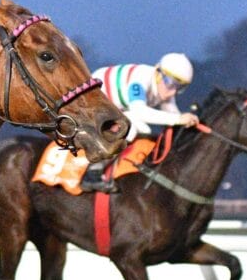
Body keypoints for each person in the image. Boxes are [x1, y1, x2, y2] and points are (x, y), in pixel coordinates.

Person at [80, 52, 198, 193]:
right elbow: (139, 111)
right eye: (171, 84)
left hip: (111, 108)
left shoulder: (162, 87)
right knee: (132, 127)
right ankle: (93, 173)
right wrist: (179, 119)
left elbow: (172, 114)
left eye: (180, 88)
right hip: (91, 103)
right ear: (158, 73)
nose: (173, 92)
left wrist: (187, 121)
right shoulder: (140, 79)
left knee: (141, 128)